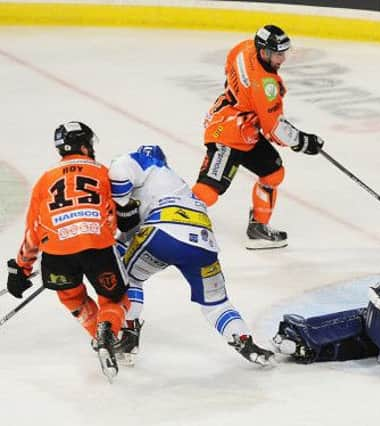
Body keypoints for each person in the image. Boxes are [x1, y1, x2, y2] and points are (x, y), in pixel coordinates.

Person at [109, 144, 275, 366]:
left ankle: (129, 336)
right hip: (204, 241)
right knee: (217, 304)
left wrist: (119, 207)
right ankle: (245, 341)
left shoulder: (145, 162)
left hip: (164, 231)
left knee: (127, 278)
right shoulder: (176, 184)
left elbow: (119, 177)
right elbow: (132, 229)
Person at [5, 121, 130, 382]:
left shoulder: (45, 180)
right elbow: (116, 212)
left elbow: (34, 230)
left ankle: (98, 335)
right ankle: (108, 329)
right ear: (84, 145)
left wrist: (21, 268)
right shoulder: (103, 172)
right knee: (115, 299)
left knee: (72, 297)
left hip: (57, 253)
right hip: (97, 247)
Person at [192, 24, 324, 250]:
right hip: (226, 132)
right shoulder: (265, 86)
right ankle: (166, 220)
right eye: (278, 54)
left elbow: (228, 70)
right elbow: (274, 129)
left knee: (273, 172)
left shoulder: (243, 48)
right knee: (208, 191)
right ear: (263, 52)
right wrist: (303, 141)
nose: (282, 59)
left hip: (246, 130)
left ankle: (258, 227)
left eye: (284, 53)